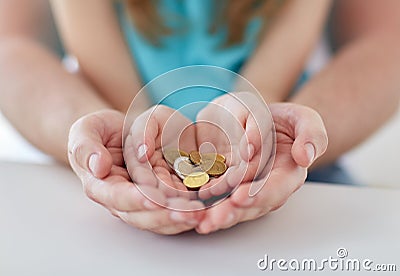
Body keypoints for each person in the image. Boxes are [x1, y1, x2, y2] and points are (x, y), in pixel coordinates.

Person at [0, 0, 399, 234]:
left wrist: (282, 127)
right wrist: (110, 128)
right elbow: (9, 45)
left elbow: (387, 43)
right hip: (105, 160)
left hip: (290, 159)